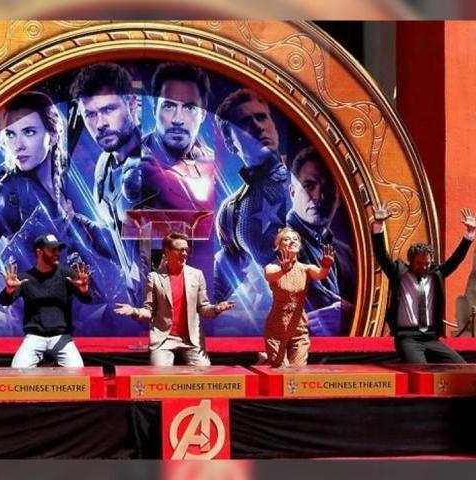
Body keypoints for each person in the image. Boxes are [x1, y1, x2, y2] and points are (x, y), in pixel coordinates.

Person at [68, 62, 146, 304]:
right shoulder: (103, 167)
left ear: (131, 104)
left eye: (109, 109)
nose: (100, 123)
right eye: (90, 115)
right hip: (136, 300)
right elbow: (116, 239)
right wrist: (77, 222)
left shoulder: (154, 161)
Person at [213, 88, 292, 303]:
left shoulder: (310, 180)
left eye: (262, 117)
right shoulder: (231, 212)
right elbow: (214, 294)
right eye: (245, 123)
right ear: (230, 143)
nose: (258, 126)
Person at [372, 203, 475, 363]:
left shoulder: (435, 275)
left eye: (427, 263)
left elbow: (456, 260)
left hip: (431, 338)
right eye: (419, 263)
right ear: (410, 261)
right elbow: (381, 255)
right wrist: (378, 224)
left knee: (461, 367)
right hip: (407, 338)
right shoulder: (399, 273)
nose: (424, 267)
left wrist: (469, 234)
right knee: (421, 370)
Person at [115, 232, 234, 366]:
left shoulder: (197, 275)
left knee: (203, 369)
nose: (184, 254)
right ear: (167, 251)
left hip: (191, 341)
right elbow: (149, 311)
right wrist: (134, 311)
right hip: (164, 340)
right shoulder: (154, 278)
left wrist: (216, 309)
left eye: (186, 250)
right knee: (159, 371)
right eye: (180, 250)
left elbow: (203, 307)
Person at [286, 146, 356, 335]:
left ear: (339, 196)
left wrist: (349, 314)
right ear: (292, 192)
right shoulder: (276, 244)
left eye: (328, 188)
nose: (319, 196)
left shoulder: (347, 254)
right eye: (309, 186)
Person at [0, 233, 92, 367]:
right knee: (18, 369)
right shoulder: (25, 278)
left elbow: (87, 299)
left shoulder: (67, 275)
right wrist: (9, 290)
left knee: (77, 370)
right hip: (34, 337)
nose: (57, 253)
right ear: (39, 252)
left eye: (58, 249)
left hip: (62, 337)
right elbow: (4, 301)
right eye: (52, 250)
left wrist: (83, 290)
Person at [0, 90, 68, 240]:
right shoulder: (4, 194)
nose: (18, 146)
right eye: (10, 134)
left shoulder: (67, 183)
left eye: (29, 132)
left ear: (53, 136)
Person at [141, 62, 215, 214]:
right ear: (154, 109)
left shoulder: (214, 167)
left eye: (189, 108)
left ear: (203, 114)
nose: (177, 119)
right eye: (169, 106)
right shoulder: (131, 159)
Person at [263, 227, 334, 367]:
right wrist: (283, 270)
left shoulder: (305, 268)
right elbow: (270, 276)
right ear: (278, 246)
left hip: (299, 325)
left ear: (299, 245)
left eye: (295, 239)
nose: (292, 241)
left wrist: (326, 266)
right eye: (287, 239)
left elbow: (320, 274)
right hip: (277, 325)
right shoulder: (272, 267)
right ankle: (265, 359)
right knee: (279, 368)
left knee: (298, 370)